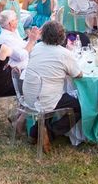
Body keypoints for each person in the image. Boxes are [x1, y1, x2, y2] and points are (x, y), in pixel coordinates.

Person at [23, 21, 82, 153]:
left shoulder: (37, 47)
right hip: (46, 99)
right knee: (79, 106)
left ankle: (34, 132)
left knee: (50, 94)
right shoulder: (64, 53)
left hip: (29, 96)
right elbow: (78, 75)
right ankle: (49, 133)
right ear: (62, 36)